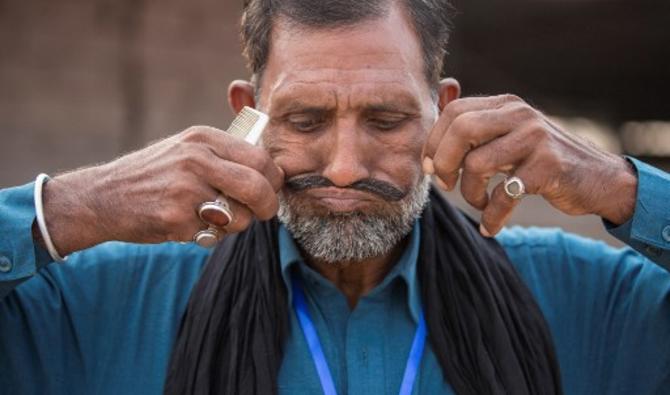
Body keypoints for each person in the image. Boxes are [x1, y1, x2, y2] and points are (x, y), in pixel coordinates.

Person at [1, 0, 669, 394]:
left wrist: (625, 187)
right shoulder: (102, 303)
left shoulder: (584, 297)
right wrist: (69, 208)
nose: (346, 168)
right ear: (247, 113)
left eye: (385, 121)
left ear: (442, 111)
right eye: (304, 121)